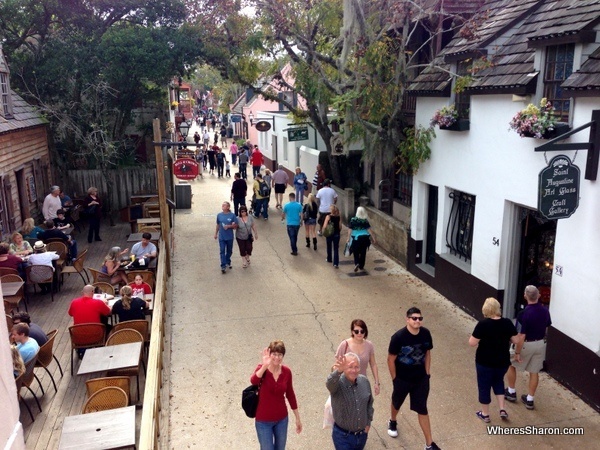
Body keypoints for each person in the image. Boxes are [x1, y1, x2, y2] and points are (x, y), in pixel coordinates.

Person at [387, 307, 440, 450]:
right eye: (414, 318)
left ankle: (429, 444)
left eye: (420, 318)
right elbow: (391, 359)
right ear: (407, 319)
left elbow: (428, 353)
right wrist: (395, 379)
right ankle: (392, 420)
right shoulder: (398, 337)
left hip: (421, 380)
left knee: (422, 408)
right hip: (402, 379)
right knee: (396, 402)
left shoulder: (426, 334)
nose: (418, 321)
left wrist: (427, 373)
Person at [469, 298, 519, 422]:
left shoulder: (483, 324)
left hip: (484, 362)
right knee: (498, 382)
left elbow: (472, 343)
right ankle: (502, 409)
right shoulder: (507, 322)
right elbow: (516, 340)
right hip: (502, 361)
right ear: (498, 308)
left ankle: (485, 414)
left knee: (484, 386)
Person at [505, 285, 552, 410]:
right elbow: (547, 327)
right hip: (540, 343)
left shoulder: (523, 313)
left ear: (525, 296)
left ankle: (511, 391)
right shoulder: (545, 311)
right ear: (539, 296)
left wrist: (518, 352)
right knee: (534, 372)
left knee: (511, 364)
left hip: (526, 344)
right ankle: (530, 399)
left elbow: (521, 335)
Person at [250, 341, 302, 449]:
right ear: (269, 355)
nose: (277, 357)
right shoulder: (262, 368)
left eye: (280, 355)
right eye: (274, 354)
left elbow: (290, 394)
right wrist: (265, 366)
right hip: (263, 421)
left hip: (281, 419)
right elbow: (253, 381)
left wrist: (297, 418)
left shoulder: (286, 372)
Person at [326, 352, 374, 450]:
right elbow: (329, 384)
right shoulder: (337, 384)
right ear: (344, 368)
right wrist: (338, 371)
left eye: (356, 367)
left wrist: (368, 422)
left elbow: (369, 403)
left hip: (362, 435)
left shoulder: (364, 381)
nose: (354, 370)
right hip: (342, 437)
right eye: (350, 367)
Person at [335, 320, 381, 395]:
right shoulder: (344, 345)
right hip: (345, 384)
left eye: (362, 331)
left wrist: (377, 383)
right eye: (356, 331)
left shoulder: (369, 345)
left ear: (365, 332)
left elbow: (373, 364)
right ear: (352, 332)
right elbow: (336, 366)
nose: (359, 333)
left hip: (361, 383)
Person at [347, 207, 377, 272]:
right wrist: (374, 238)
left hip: (356, 238)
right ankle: (361, 265)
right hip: (365, 238)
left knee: (356, 252)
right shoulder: (365, 221)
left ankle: (357, 263)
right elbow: (370, 231)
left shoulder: (353, 220)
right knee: (363, 252)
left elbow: (350, 229)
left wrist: (348, 238)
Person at [214, 201, 237, 274]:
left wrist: (229, 226)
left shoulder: (232, 216)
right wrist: (215, 233)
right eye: (222, 205)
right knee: (222, 250)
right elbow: (218, 225)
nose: (223, 206)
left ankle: (228, 261)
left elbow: (235, 226)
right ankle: (223, 265)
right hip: (222, 237)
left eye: (224, 205)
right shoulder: (219, 215)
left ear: (228, 207)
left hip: (229, 237)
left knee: (229, 250)